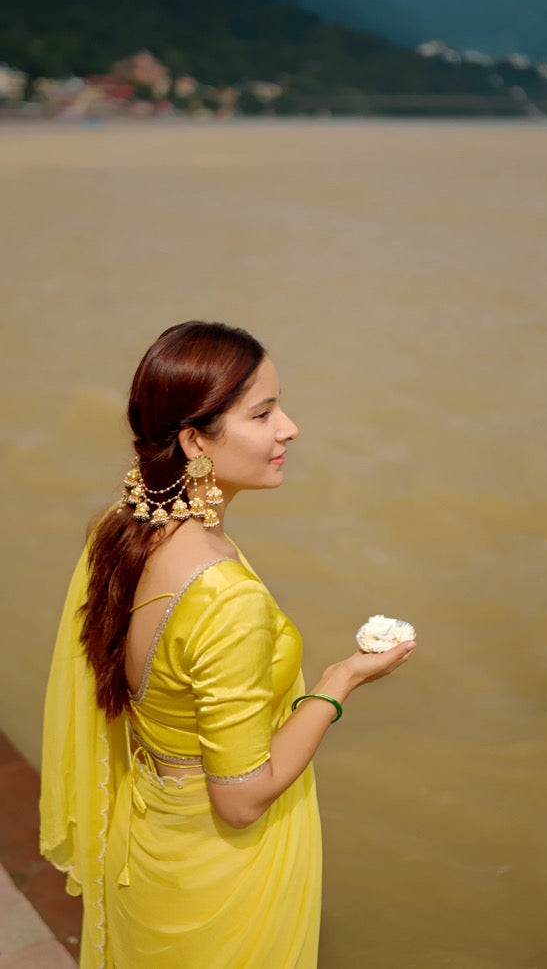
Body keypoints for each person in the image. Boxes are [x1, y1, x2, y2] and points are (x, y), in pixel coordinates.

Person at [40, 321, 416, 969]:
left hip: (155, 848)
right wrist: (340, 679)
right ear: (194, 440)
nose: (289, 427)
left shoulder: (125, 529)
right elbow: (240, 797)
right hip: (220, 884)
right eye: (263, 412)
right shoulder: (225, 596)